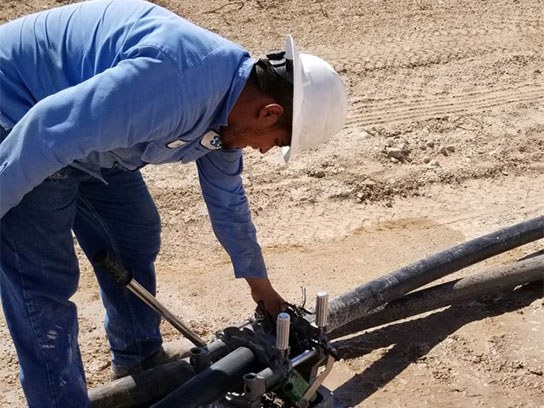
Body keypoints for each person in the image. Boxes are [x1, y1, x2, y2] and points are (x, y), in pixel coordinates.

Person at [0, 0, 348, 406]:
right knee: (43, 281)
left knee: (134, 234)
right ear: (270, 113)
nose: (265, 151)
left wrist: (262, 288)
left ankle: (138, 361)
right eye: (276, 143)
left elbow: (228, 202)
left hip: (87, 135)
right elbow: (48, 131)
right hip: (18, 117)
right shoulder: (175, 83)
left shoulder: (229, 113)